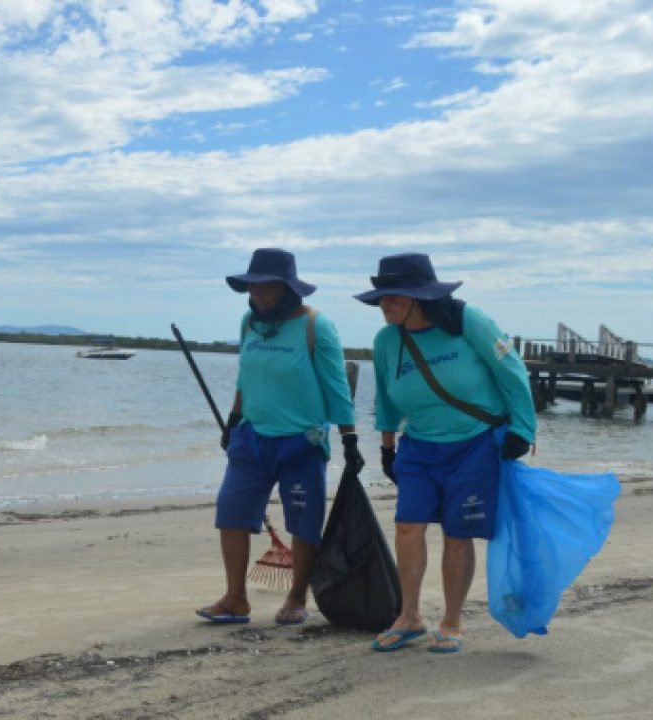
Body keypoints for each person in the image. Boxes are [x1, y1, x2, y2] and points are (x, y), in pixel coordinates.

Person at [354, 252, 536, 653]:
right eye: (382, 297)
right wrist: (387, 449)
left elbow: (512, 371)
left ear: (420, 297)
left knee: (457, 533)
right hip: (418, 446)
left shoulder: (469, 322)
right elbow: (386, 399)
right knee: (407, 526)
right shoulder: (387, 341)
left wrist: (523, 428)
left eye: (395, 297)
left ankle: (452, 622)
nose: (385, 304)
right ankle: (409, 617)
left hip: (474, 445)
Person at [196, 248, 364, 626]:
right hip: (251, 436)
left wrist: (350, 439)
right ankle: (235, 598)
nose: (257, 296)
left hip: (301, 441)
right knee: (231, 513)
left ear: (288, 289)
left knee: (303, 521)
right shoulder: (249, 323)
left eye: (267, 288)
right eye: (252, 288)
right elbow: (246, 377)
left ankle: (296, 597)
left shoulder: (315, 326)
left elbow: (336, 386)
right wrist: (233, 420)